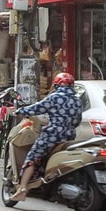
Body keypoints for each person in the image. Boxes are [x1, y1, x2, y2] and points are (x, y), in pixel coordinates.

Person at [10, 72, 83, 201]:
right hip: (70, 136)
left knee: (32, 157)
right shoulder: (77, 100)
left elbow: (37, 108)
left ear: (56, 85)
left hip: (53, 134)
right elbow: (77, 121)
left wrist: (19, 111)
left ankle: (22, 189)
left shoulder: (55, 97)